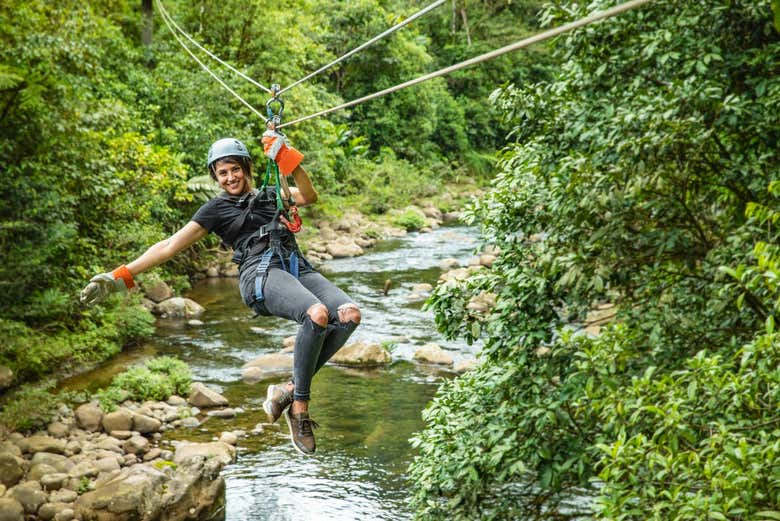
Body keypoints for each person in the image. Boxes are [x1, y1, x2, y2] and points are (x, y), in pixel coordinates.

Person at [80, 132, 361, 455]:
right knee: (317, 314)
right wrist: (120, 275)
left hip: (296, 266)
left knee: (349, 314)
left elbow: (309, 197)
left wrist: (290, 161)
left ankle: (286, 390)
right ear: (215, 177)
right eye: (222, 173)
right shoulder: (215, 209)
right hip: (260, 274)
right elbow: (169, 246)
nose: (230, 178)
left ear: (246, 168)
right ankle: (299, 409)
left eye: (234, 170)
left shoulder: (271, 194)